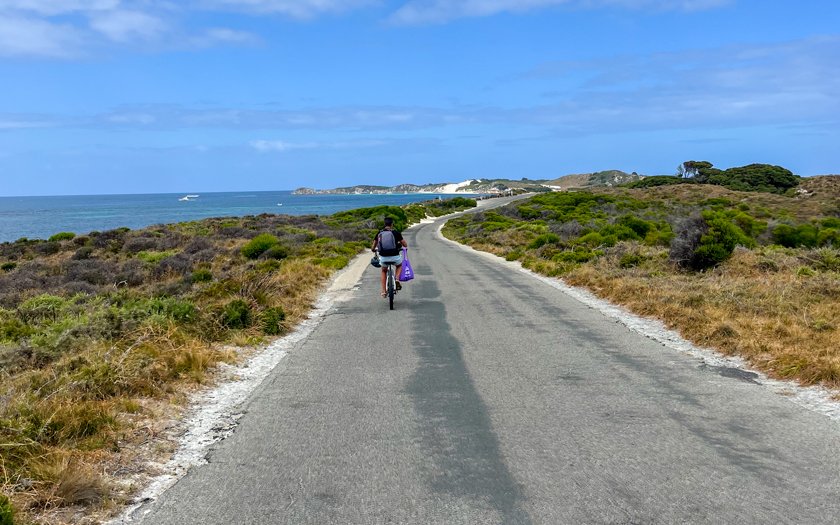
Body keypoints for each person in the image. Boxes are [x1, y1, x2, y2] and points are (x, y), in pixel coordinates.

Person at [372, 217, 408, 298]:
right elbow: (405, 244)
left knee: (383, 271)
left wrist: (373, 250)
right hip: (395, 256)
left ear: (384, 224)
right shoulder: (396, 232)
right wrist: (402, 246)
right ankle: (397, 279)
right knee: (399, 265)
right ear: (392, 224)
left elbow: (374, 245)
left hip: (384, 257)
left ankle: (383, 291)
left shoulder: (379, 233)